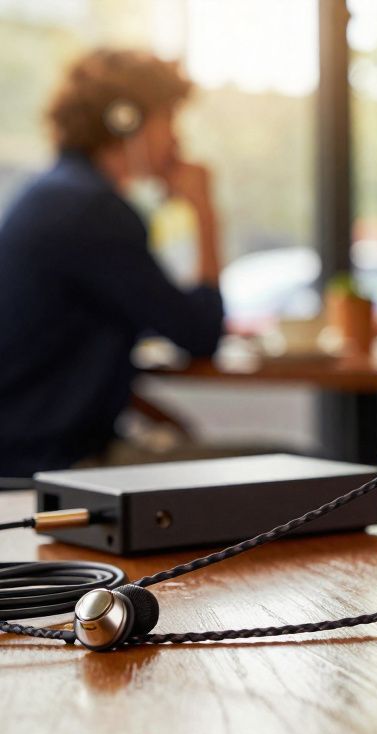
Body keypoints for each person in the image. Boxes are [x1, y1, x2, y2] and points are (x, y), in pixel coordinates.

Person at [0, 49, 224, 477]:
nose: (177, 141)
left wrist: (158, 413)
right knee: (301, 467)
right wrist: (206, 214)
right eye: (168, 120)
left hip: (29, 450)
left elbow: (49, 355)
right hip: (52, 465)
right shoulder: (92, 210)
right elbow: (200, 333)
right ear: (127, 120)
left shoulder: (54, 194)